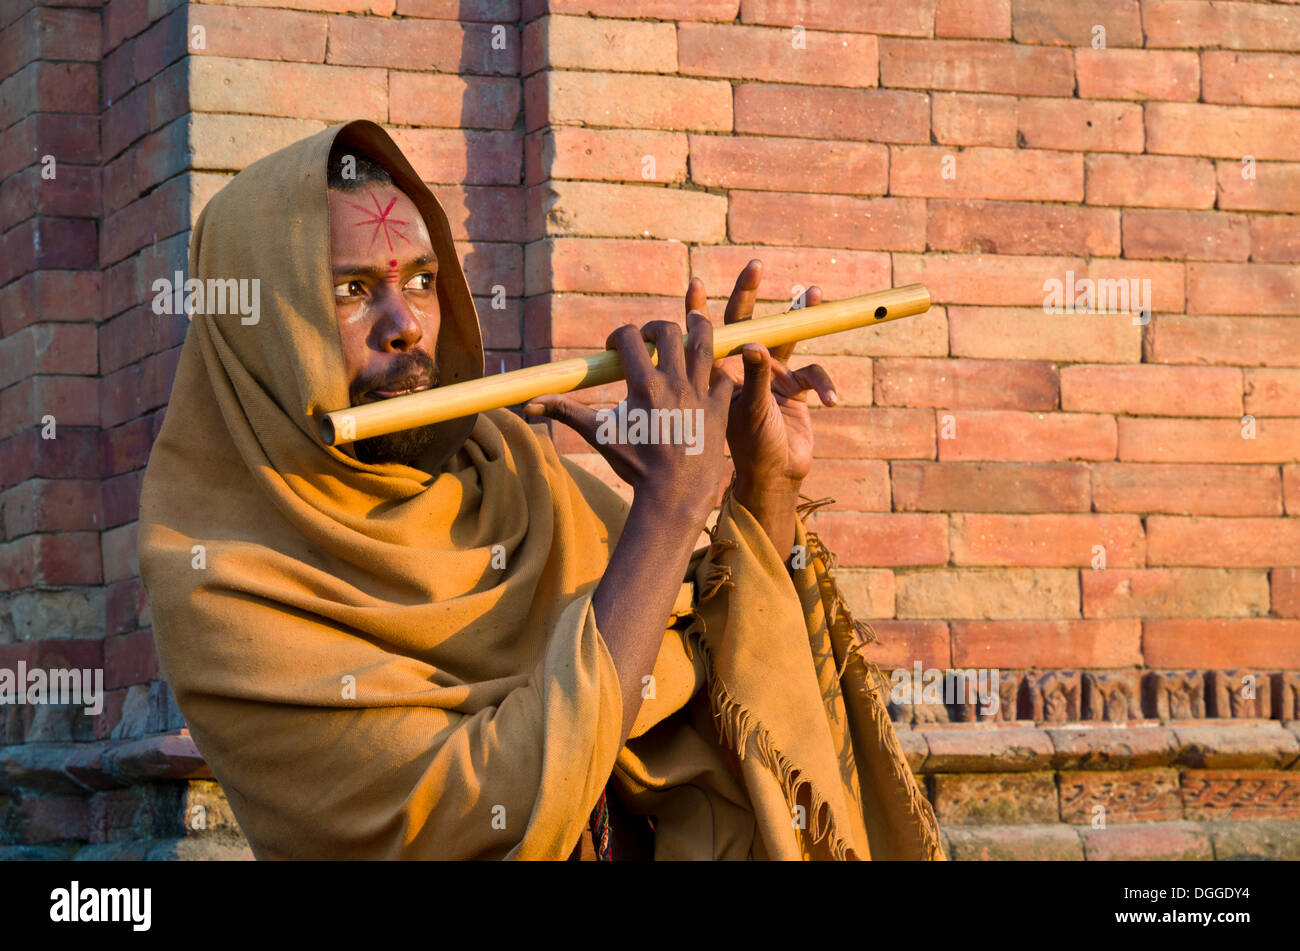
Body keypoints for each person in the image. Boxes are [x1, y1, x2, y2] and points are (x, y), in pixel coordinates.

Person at [138, 119, 944, 860]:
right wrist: (666, 512)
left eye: (421, 281)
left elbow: (718, 679)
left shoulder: (506, 469)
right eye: (352, 291)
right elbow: (487, 810)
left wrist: (759, 484)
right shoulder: (222, 576)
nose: (408, 324)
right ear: (262, 331)